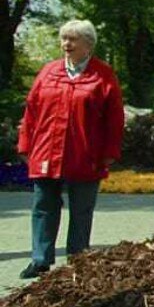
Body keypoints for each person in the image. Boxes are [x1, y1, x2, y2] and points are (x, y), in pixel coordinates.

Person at [17, 19, 123, 279]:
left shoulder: (103, 74)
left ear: (88, 45)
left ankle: (78, 260)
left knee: (81, 210)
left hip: (85, 153)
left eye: (72, 40)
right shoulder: (48, 72)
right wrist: (25, 144)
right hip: (46, 151)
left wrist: (110, 152)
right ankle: (40, 260)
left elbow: (115, 118)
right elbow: (31, 111)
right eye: (64, 38)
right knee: (43, 206)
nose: (66, 44)